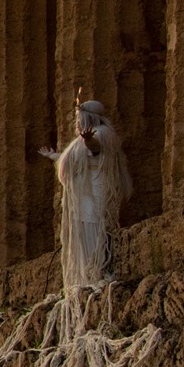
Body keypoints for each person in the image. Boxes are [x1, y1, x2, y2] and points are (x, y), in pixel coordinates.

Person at [42, 98, 131, 291]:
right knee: (84, 230)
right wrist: (54, 156)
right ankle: (90, 272)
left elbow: (96, 149)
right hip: (85, 193)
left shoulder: (101, 134)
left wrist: (89, 140)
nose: (76, 123)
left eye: (78, 119)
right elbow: (74, 161)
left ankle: (100, 269)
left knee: (95, 226)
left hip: (96, 189)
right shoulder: (81, 140)